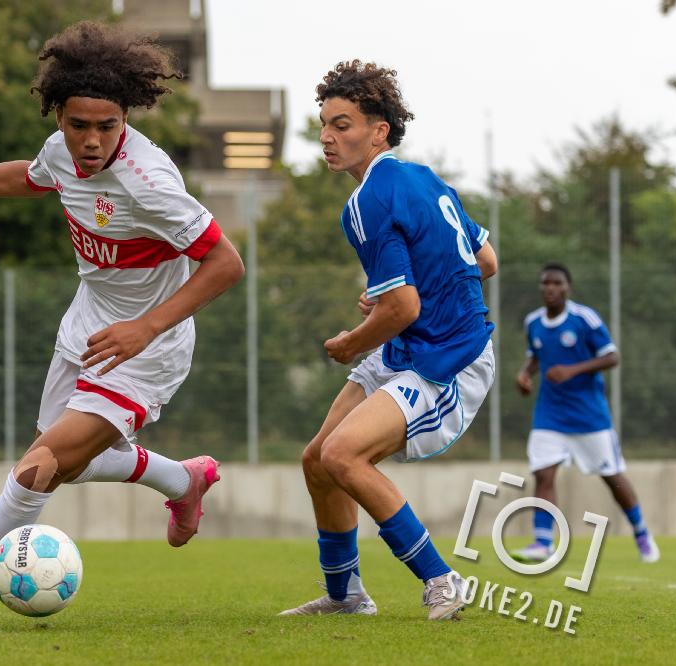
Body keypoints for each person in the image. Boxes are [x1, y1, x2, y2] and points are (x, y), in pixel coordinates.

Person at [0, 21, 244, 628]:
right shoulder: (61, 151)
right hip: (87, 325)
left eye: (107, 126)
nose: (91, 141)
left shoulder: (149, 184)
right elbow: (30, 177)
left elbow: (226, 263)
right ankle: (183, 479)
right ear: (58, 116)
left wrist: (146, 328)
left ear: (126, 118)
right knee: (69, 464)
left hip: (148, 348)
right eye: (78, 125)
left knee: (35, 470)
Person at [278, 61, 498, 621]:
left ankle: (442, 580)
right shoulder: (424, 178)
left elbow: (404, 308)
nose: (327, 137)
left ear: (380, 131)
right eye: (324, 125)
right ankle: (345, 596)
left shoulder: (367, 201)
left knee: (343, 455)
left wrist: (352, 342)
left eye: (343, 125)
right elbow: (486, 260)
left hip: (448, 358)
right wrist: (398, 295)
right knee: (317, 460)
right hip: (409, 346)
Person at [512, 263, 660, 564]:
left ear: (568, 288)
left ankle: (641, 532)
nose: (550, 288)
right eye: (545, 283)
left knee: (612, 477)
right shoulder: (533, 322)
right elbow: (535, 356)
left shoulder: (584, 319)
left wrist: (572, 370)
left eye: (557, 283)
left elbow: (612, 356)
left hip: (589, 417)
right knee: (543, 473)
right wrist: (525, 375)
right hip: (550, 414)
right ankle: (543, 542)